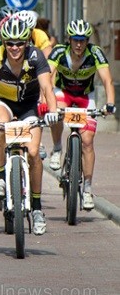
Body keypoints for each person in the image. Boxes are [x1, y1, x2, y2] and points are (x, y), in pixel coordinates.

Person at [0, 16, 59, 236]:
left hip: (29, 106)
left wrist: (53, 111)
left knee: (34, 152)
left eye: (20, 43)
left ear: (27, 42)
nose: (15, 47)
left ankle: (37, 209)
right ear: (3, 43)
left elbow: (47, 87)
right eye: (10, 43)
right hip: (3, 102)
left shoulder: (36, 56)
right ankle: (0, 177)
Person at [46, 19, 115, 210]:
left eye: (83, 40)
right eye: (75, 39)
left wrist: (110, 103)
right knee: (55, 110)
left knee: (87, 141)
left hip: (86, 96)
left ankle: (87, 188)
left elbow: (108, 80)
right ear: (69, 39)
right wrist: (44, 100)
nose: (78, 44)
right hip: (64, 93)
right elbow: (46, 76)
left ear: (87, 41)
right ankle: (58, 148)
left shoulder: (95, 53)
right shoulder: (59, 51)